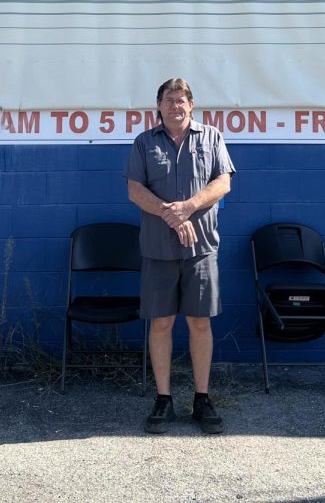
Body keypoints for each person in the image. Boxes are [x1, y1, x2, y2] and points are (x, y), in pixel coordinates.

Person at [124, 78, 235, 434]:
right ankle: (164, 398)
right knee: (161, 323)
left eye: (181, 100)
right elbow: (135, 190)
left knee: (200, 322)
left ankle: (201, 398)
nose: (176, 106)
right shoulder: (144, 142)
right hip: (157, 249)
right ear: (158, 105)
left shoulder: (212, 137)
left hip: (201, 247)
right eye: (169, 100)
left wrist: (186, 208)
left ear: (192, 104)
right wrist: (171, 215)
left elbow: (223, 183)